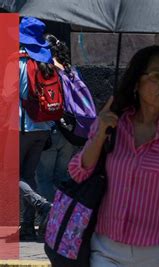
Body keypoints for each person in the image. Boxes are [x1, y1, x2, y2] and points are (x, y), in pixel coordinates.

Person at [68, 45, 159, 267]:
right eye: (156, 76)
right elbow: (78, 172)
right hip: (107, 249)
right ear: (137, 83)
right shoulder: (113, 123)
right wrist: (99, 134)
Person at [35, 34, 95, 202]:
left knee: (44, 178)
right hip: (72, 130)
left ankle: (49, 220)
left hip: (51, 129)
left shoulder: (46, 69)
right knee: (62, 177)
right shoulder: (73, 70)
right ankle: (61, 221)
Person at [18, 17, 54, 242]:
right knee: (28, 175)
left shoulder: (18, 62)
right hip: (43, 126)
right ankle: (28, 227)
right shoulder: (48, 62)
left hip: (21, 126)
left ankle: (42, 205)